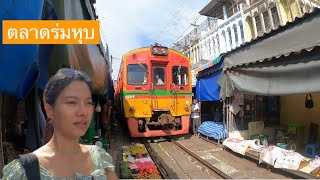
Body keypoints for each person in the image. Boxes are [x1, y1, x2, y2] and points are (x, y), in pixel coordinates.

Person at [2, 68, 118, 180]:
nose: (83, 112)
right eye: (72, 102)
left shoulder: (99, 159)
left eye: (88, 102)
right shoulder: (24, 171)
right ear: (49, 109)